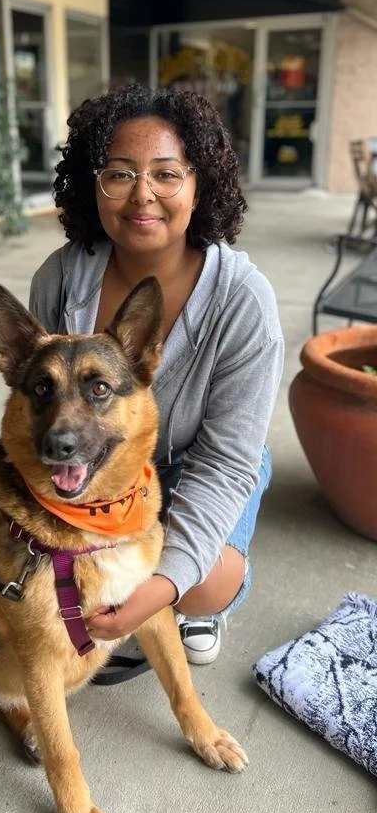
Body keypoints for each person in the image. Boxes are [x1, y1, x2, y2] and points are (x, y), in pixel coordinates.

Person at [29, 84, 284, 678]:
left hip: (199, 462)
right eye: (119, 174)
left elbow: (226, 460)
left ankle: (198, 606)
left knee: (198, 584)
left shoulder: (243, 301)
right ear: (94, 185)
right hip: (93, 464)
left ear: (200, 183)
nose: (143, 194)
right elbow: (40, 408)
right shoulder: (62, 279)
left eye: (167, 174)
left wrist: (164, 583)